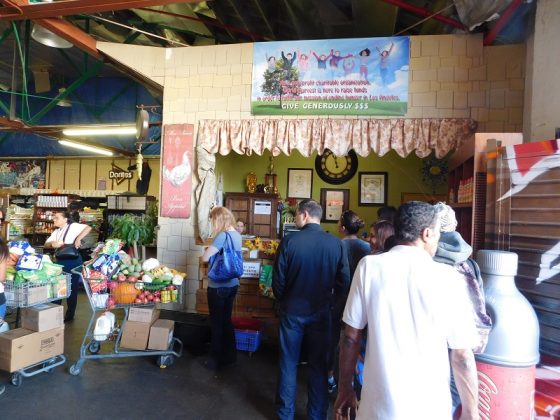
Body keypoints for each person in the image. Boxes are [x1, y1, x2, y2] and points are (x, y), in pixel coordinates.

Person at [335, 201, 479, 420]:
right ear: (427, 233)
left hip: (377, 407)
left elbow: (350, 337)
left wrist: (345, 387)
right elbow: (462, 356)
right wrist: (471, 411)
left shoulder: (369, 267)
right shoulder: (449, 277)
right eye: (438, 232)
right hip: (430, 408)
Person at [272, 199, 350, 420]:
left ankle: (284, 414)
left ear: (304, 215)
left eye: (296, 214)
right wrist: (331, 304)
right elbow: (344, 282)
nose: (295, 218)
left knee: (288, 362)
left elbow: (278, 280)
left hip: (292, 311)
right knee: (318, 365)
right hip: (321, 312)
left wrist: (284, 300)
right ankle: (316, 415)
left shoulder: (289, 242)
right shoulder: (336, 244)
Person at [433, 203, 492, 415]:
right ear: (455, 225)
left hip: (431, 348)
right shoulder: (470, 264)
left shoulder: (426, 261)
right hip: (463, 345)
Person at [327, 210, 371, 394]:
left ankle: (331, 377)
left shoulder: (336, 245)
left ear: (343, 228)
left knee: (335, 339)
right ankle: (356, 379)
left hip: (340, 296)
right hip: (362, 298)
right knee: (356, 339)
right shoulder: (367, 247)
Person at [201, 206, 242, 371]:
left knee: (217, 323)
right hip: (233, 285)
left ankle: (214, 360)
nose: (212, 224)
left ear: (218, 220)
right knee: (226, 321)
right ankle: (230, 356)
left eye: (212, 220)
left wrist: (206, 251)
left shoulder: (222, 236)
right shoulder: (236, 235)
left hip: (218, 287)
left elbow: (205, 257)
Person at [44, 210, 91, 322]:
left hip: (73, 261)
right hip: (60, 261)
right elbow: (46, 244)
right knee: (58, 287)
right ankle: (56, 312)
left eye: (57, 218)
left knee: (71, 287)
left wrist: (79, 238)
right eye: (54, 218)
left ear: (65, 219)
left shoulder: (73, 226)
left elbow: (88, 228)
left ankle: (70, 315)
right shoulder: (56, 232)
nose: (54, 220)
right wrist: (52, 244)